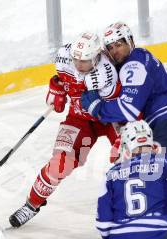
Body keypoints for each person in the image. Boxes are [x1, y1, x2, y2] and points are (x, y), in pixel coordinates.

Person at [81, 22, 167, 239]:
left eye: (119, 44)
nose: (115, 50)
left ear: (130, 41)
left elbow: (128, 108)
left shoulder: (133, 66)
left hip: (166, 122)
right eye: (111, 47)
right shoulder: (140, 57)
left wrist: (97, 107)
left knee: (164, 174)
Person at [9, 31, 121, 228]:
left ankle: (150, 205)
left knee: (128, 158)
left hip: (111, 118)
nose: (79, 64)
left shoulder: (106, 72)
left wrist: (123, 135)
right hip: (79, 119)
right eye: (76, 59)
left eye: (85, 61)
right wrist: (57, 87)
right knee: (59, 164)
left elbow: (116, 106)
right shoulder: (63, 58)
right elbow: (61, 79)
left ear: (96, 57)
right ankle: (32, 204)